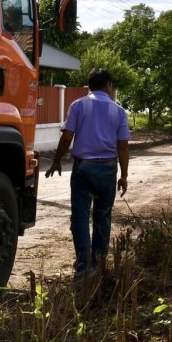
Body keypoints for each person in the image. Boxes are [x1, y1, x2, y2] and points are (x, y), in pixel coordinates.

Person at [44, 68, 130, 281]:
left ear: (89, 86)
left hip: (83, 169)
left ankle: (84, 269)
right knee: (103, 217)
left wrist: (56, 161)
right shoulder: (118, 111)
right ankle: (99, 266)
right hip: (108, 169)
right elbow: (123, 147)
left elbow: (66, 138)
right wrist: (124, 175)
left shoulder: (78, 106)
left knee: (81, 217)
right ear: (108, 85)